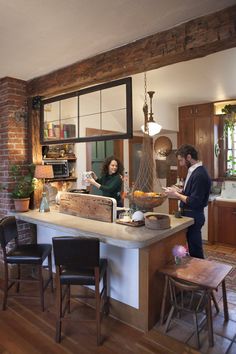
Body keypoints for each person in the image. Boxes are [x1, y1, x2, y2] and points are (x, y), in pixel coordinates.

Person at [164, 144, 211, 259]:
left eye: (181, 160)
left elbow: (194, 201)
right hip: (189, 214)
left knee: (195, 250)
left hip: (194, 214)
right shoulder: (194, 171)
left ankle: (199, 274)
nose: (181, 164)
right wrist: (178, 190)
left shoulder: (199, 174)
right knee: (192, 247)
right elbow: (190, 192)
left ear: (189, 157)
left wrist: (176, 194)